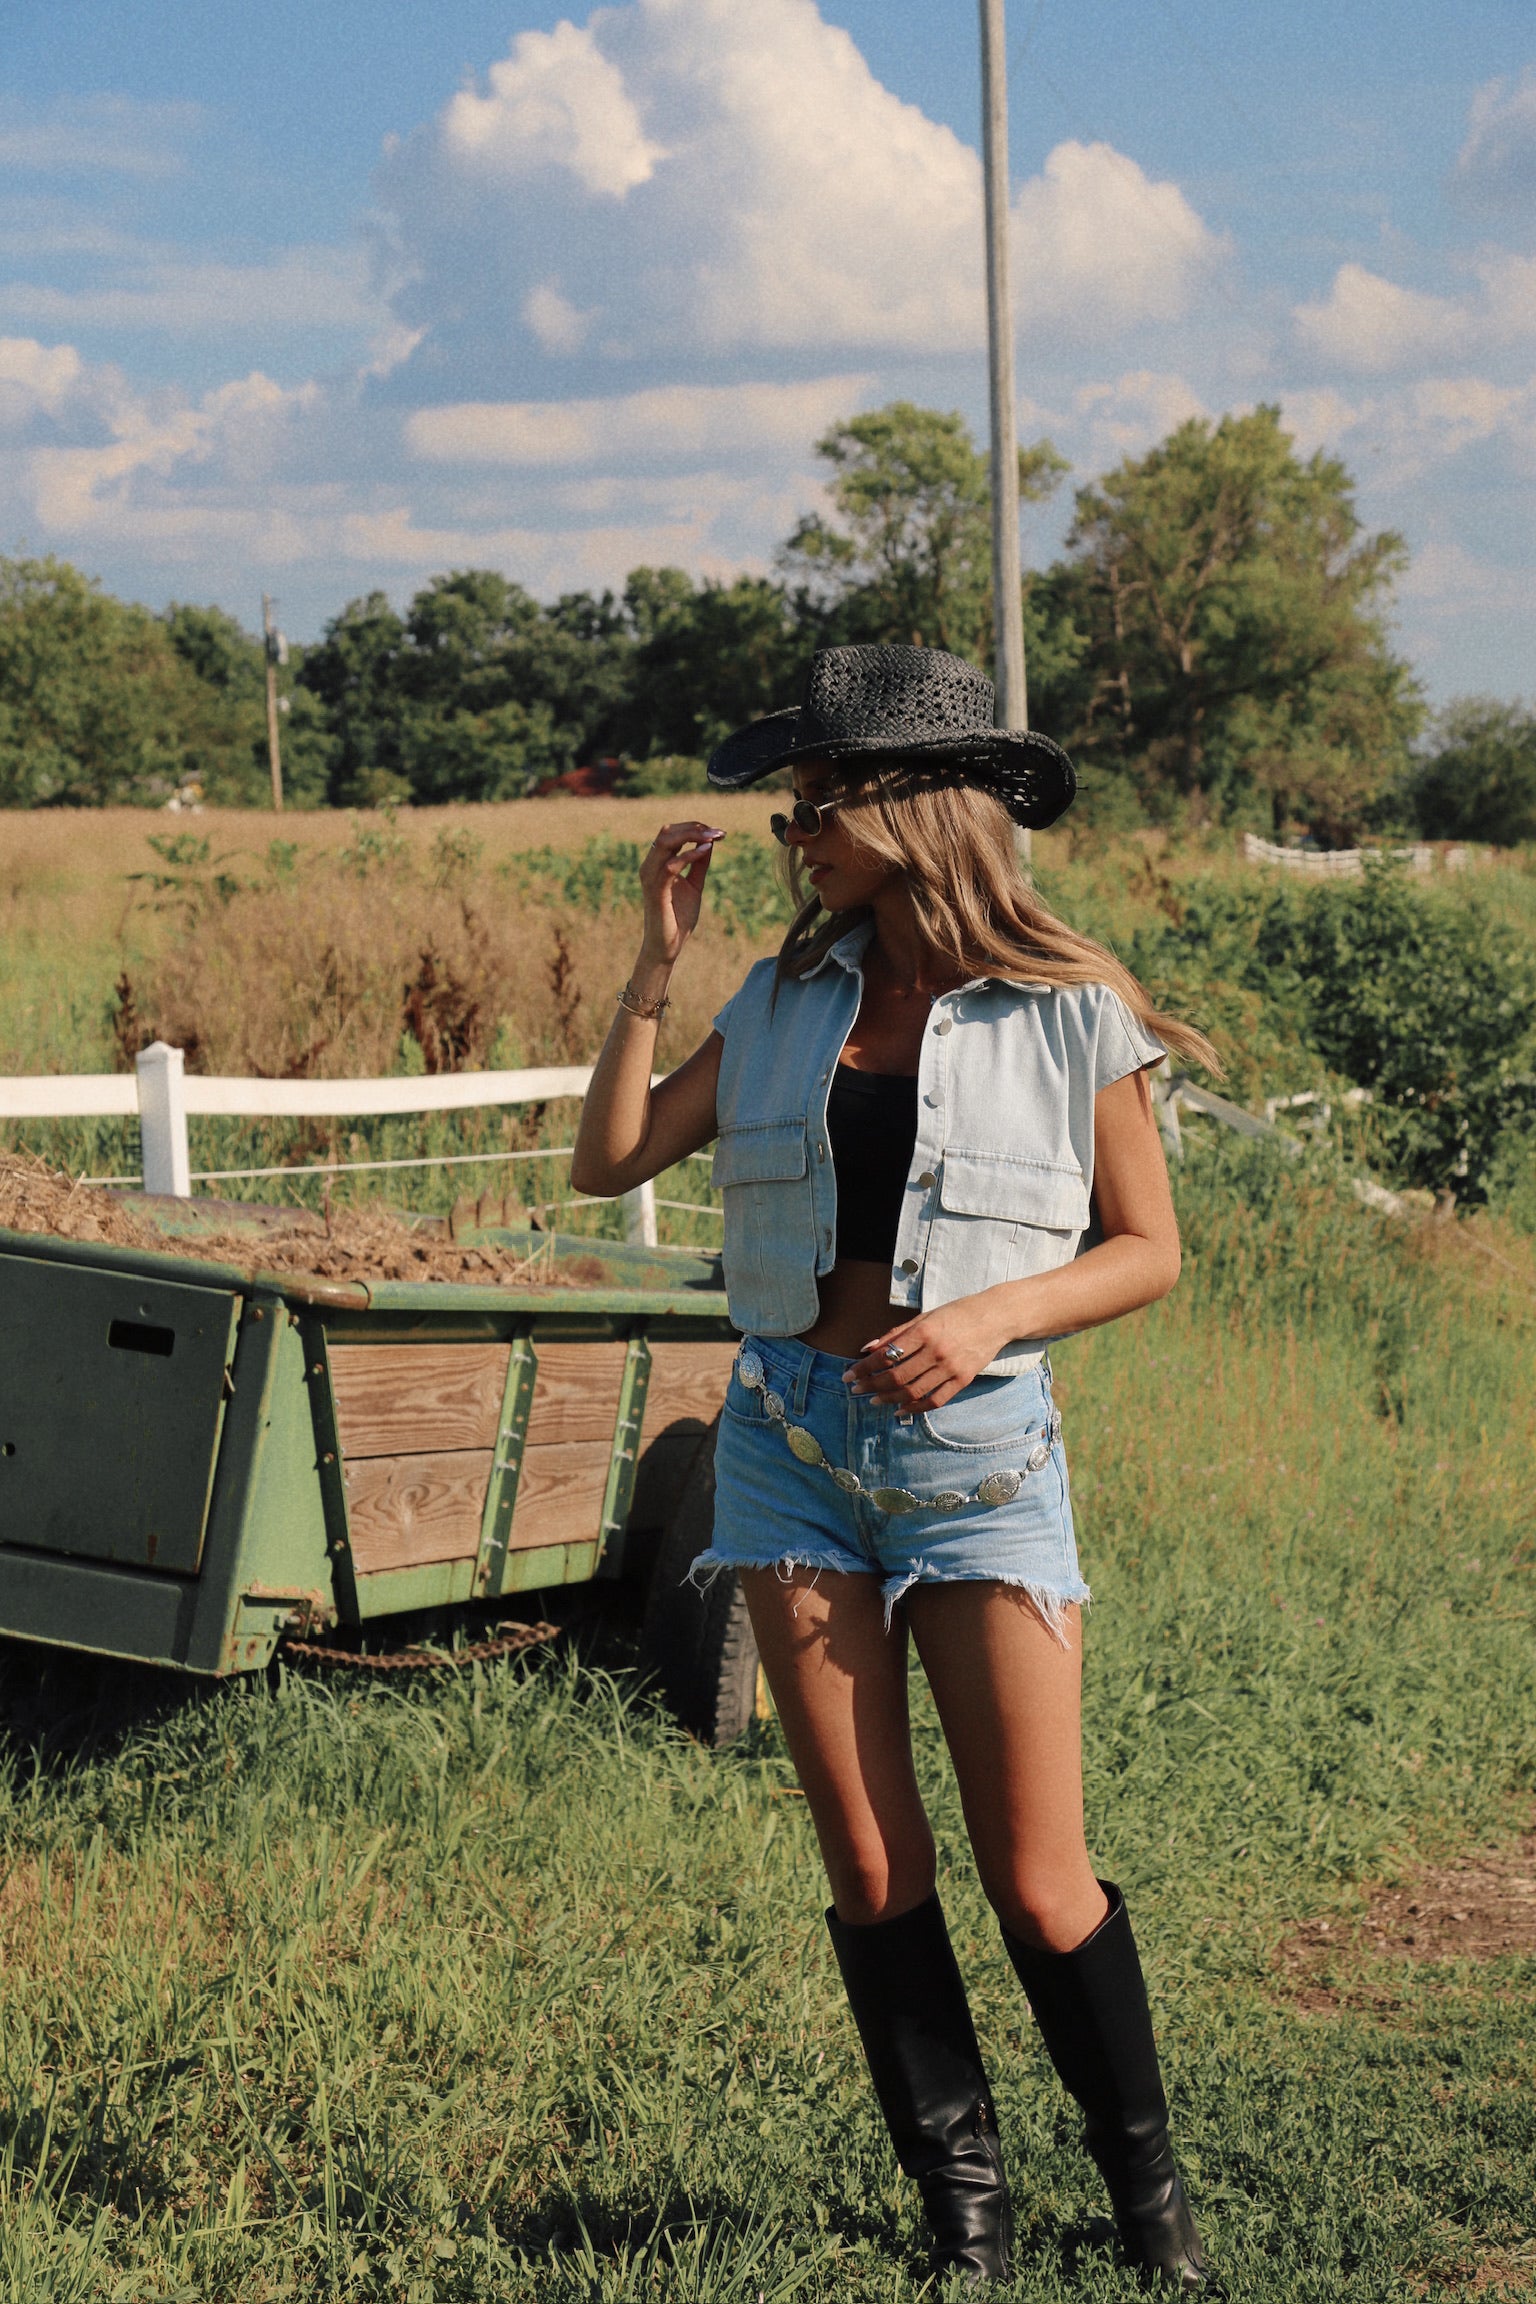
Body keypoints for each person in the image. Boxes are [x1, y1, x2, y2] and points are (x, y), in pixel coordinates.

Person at [571, 645, 1218, 2289]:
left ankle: (1149, 2205)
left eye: (819, 799)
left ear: (913, 807)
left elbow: (1145, 1249)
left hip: (977, 1458)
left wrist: (1000, 1308)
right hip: (787, 1445)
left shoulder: (1074, 1009)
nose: (793, 829)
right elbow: (611, 1161)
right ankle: (967, 2215)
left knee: (1037, 1875)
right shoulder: (785, 1000)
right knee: (868, 1863)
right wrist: (651, 972)